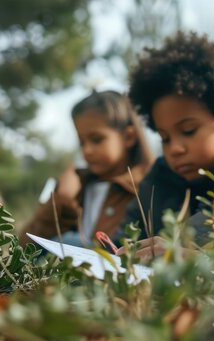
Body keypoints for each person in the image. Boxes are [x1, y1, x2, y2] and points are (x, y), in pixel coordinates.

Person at [120, 31, 214, 242]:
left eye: (188, 131)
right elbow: (123, 238)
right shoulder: (159, 179)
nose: (175, 149)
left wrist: (175, 249)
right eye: (165, 138)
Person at [20, 90, 154, 247]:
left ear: (128, 137)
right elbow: (24, 246)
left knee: (72, 242)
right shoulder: (76, 186)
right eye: (81, 142)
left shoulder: (145, 189)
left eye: (97, 140)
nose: (87, 150)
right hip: (64, 270)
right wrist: (62, 200)